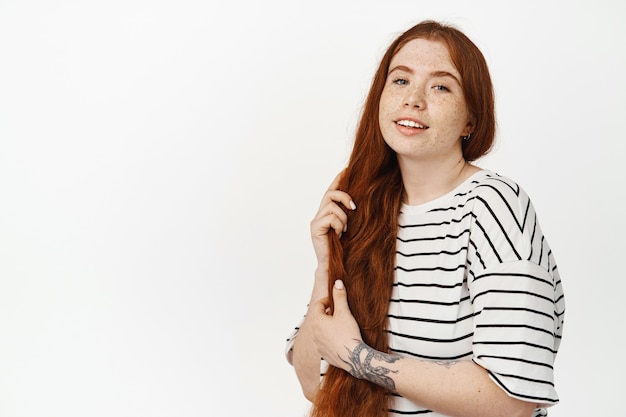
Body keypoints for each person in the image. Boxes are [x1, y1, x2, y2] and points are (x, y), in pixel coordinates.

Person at [285, 20, 565, 417]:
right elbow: (312, 384)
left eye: (441, 86)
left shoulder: (493, 205)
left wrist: (357, 355)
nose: (414, 99)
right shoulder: (363, 209)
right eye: (400, 81)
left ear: (471, 119)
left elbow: (512, 399)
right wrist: (327, 263)